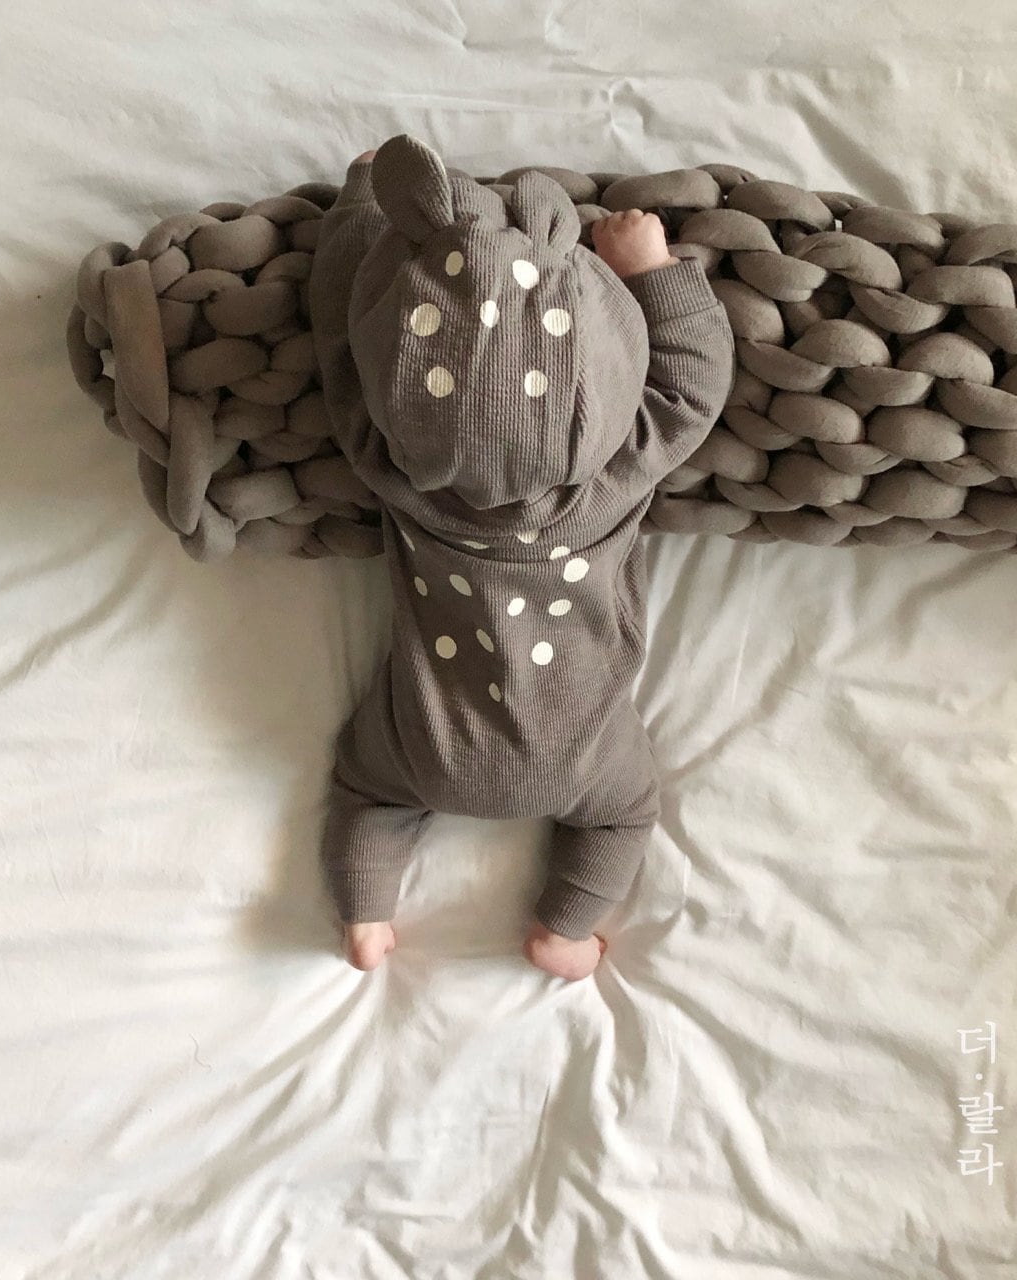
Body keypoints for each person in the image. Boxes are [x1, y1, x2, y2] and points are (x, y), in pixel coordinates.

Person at [308, 134, 733, 980]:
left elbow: (338, 336)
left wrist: (360, 202)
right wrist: (651, 270)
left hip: (425, 745)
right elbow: (695, 383)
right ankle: (561, 932)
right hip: (579, 756)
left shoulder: (391, 466)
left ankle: (365, 912)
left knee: (367, 794)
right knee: (623, 819)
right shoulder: (612, 475)